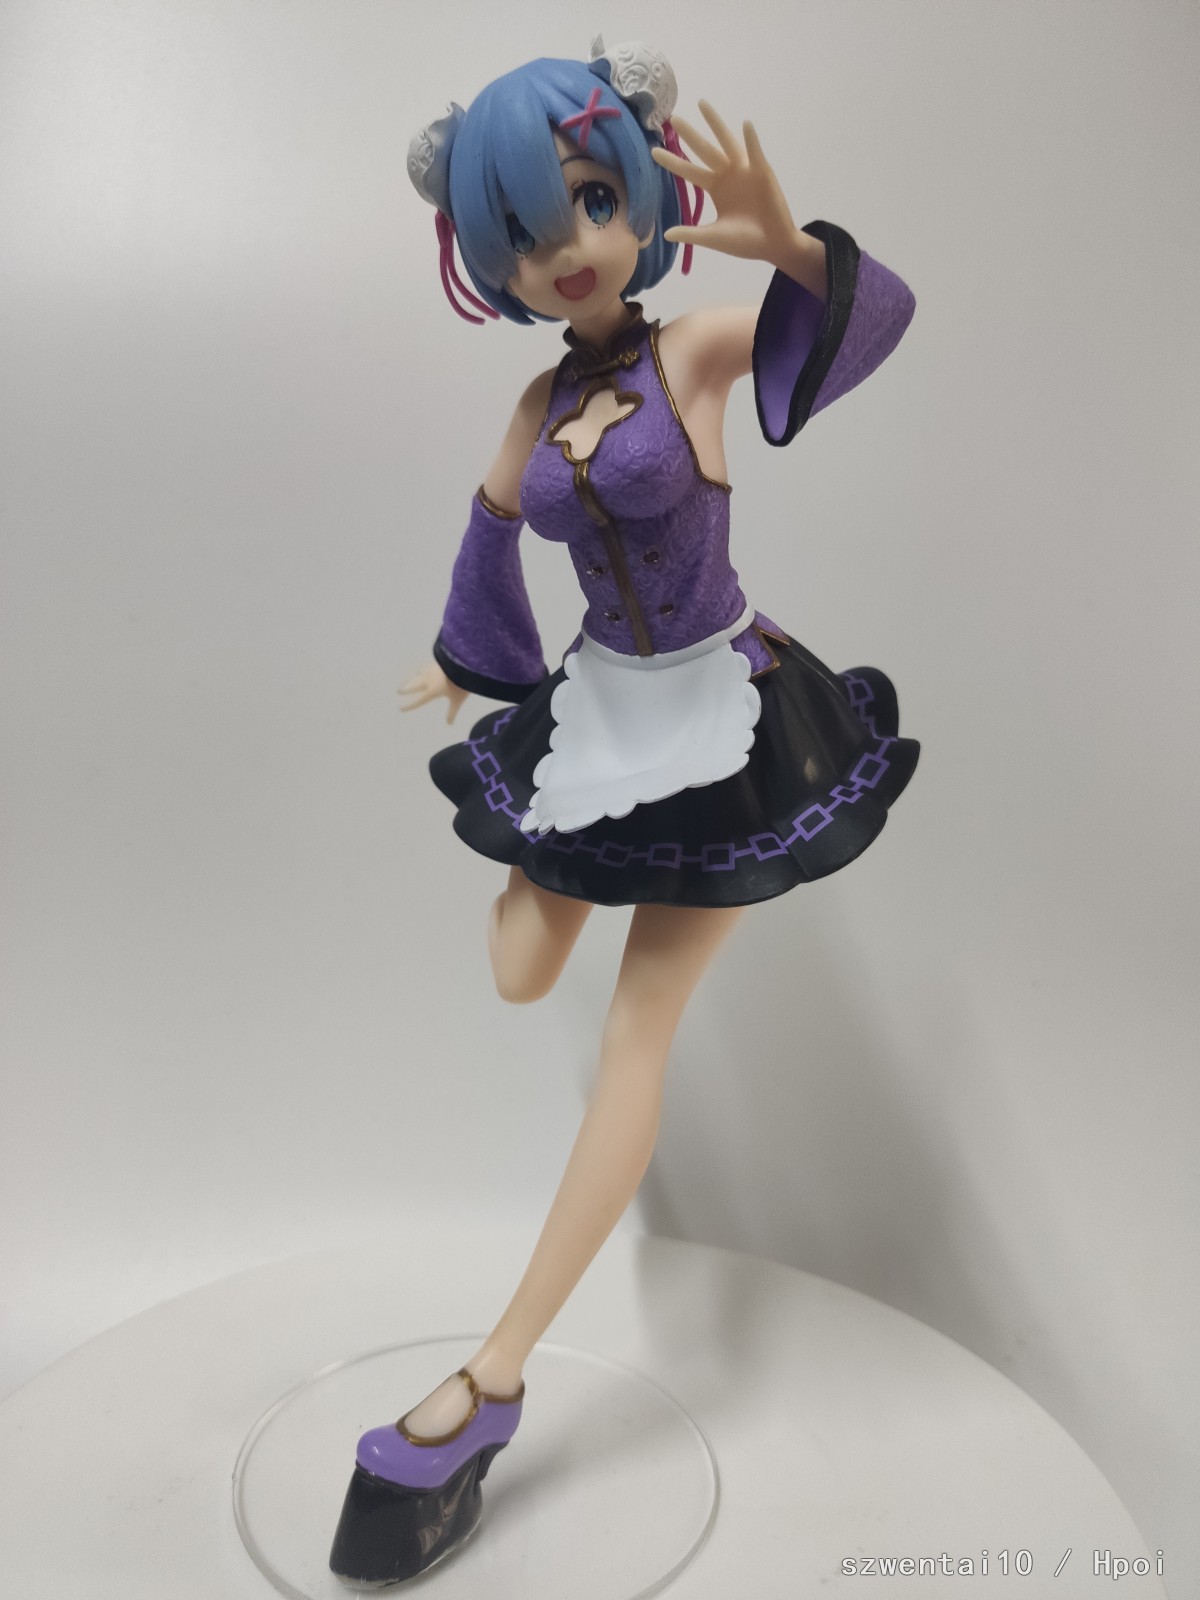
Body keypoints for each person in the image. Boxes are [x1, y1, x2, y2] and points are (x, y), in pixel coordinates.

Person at [330, 41, 918, 1585]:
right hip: (596, 711)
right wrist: (470, 663)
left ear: (645, 197)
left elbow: (864, 326)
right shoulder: (542, 396)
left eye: (592, 200)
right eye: (528, 231)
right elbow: (491, 523)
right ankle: (532, 870)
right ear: (495, 264)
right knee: (521, 971)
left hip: (722, 719)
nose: (569, 246)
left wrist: (793, 248)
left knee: (633, 1036)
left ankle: (493, 1377)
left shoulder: (700, 351)